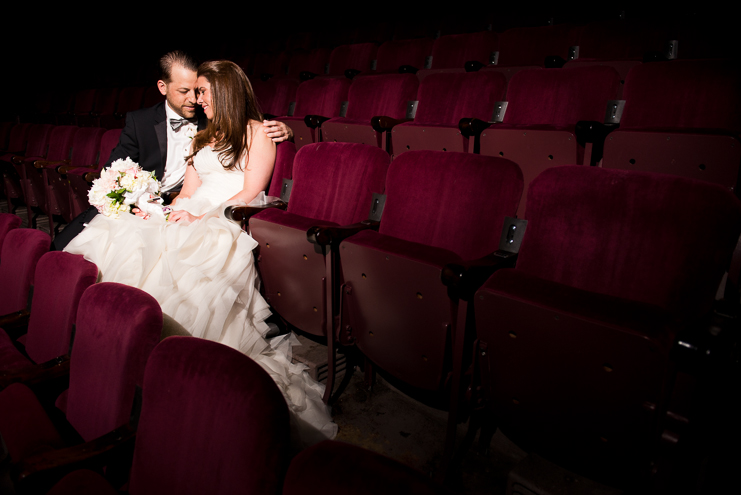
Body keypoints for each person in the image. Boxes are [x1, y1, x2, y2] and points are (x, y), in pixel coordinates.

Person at [63, 60, 337, 446]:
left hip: (224, 216)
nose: (197, 99)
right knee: (124, 231)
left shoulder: (257, 133)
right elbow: (186, 191)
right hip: (190, 212)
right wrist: (168, 210)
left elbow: (249, 192)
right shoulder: (202, 138)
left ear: (224, 92)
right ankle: (113, 352)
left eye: (203, 92)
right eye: (193, 92)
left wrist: (201, 216)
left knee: (183, 257)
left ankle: (174, 372)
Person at [52, 50, 293, 251]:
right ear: (163, 87)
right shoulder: (141, 123)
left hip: (211, 211)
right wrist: (147, 208)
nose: (194, 100)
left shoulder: (220, 122)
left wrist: (288, 132)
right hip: (160, 203)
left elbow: (249, 137)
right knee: (84, 240)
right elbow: (114, 174)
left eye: (198, 91)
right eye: (184, 91)